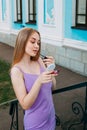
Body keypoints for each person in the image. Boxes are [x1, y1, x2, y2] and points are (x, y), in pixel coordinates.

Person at [10, 27, 58, 130]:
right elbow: (25, 105)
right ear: (22, 42)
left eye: (38, 43)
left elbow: (52, 87)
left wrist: (51, 70)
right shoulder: (16, 71)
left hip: (51, 117)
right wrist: (39, 81)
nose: (36, 46)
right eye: (32, 42)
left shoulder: (39, 61)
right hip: (36, 124)